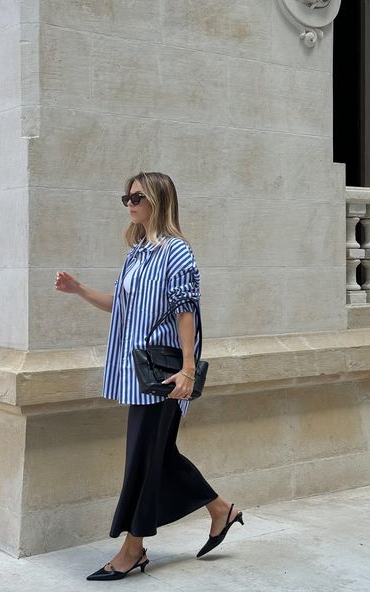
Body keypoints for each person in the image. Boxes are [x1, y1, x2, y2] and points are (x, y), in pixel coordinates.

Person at [54, 172, 244, 581]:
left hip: (166, 374)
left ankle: (133, 549)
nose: (129, 203)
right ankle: (221, 510)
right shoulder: (137, 252)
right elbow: (122, 307)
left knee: (144, 458)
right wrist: (80, 289)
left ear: (158, 199)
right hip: (136, 375)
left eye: (136, 196)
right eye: (125, 196)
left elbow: (185, 311)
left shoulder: (177, 252)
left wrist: (189, 370)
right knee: (158, 455)